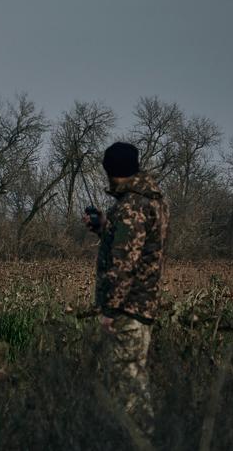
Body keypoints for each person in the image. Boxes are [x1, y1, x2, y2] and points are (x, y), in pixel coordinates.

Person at [84, 142, 169, 437]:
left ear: (113, 172)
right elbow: (138, 246)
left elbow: (124, 265)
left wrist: (110, 310)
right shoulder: (151, 200)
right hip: (141, 306)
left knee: (129, 387)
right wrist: (105, 225)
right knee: (133, 380)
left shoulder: (132, 206)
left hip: (128, 309)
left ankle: (139, 441)